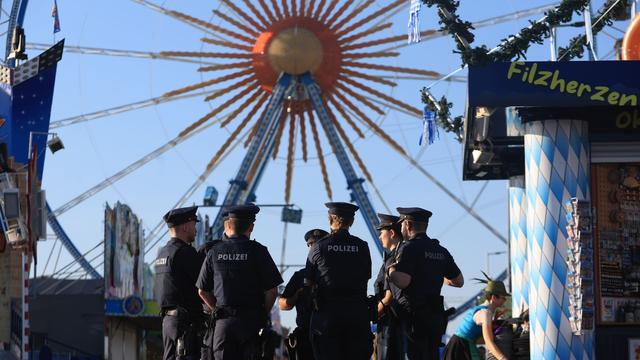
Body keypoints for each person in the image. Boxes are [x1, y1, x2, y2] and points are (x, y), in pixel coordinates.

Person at [196, 204, 283, 360]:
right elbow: (272, 290)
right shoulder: (259, 251)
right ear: (251, 227)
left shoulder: (214, 252)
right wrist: (263, 313)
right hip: (250, 323)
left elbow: (202, 291)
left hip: (223, 325)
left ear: (229, 225)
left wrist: (216, 309)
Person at [387, 207, 464, 360]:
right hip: (435, 317)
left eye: (401, 224)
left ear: (407, 225)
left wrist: (390, 271)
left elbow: (404, 282)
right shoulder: (440, 250)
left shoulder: (408, 248)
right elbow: (458, 281)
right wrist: (434, 274)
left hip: (413, 317)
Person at [305, 202, 373, 360]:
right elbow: (366, 277)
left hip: (327, 318)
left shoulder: (318, 247)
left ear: (330, 219)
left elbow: (308, 282)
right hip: (357, 316)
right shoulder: (362, 246)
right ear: (352, 222)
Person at [154, 206, 203, 360]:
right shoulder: (185, 253)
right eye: (194, 225)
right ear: (185, 227)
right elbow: (205, 284)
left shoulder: (162, 252)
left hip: (168, 321)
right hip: (185, 324)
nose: (196, 229)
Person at [280, 228, 329, 360]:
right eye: (311, 245)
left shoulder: (334, 274)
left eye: (317, 245)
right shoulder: (300, 276)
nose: (313, 248)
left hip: (329, 334)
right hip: (305, 335)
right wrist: (296, 296)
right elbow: (283, 304)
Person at [443, 274, 510, 360]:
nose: (504, 301)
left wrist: (495, 319)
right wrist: (502, 358)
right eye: (503, 298)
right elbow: (489, 342)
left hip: (456, 345)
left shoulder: (481, 310)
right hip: (462, 347)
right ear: (493, 298)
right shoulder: (485, 313)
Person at [373, 213, 404, 360]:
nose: (379, 237)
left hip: (390, 322)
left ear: (391, 233)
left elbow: (389, 297)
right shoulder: (396, 256)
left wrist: (369, 315)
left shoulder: (393, 259)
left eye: (382, 233)